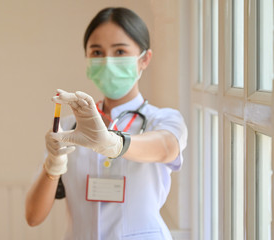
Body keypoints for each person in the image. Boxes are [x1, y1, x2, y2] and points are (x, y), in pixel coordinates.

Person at [25, 7, 188, 240]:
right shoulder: (70, 129)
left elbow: (166, 147)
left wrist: (113, 143)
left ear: (144, 59)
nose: (108, 61)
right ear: (88, 60)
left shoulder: (163, 119)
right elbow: (33, 216)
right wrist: (53, 165)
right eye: (97, 52)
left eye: (120, 51)